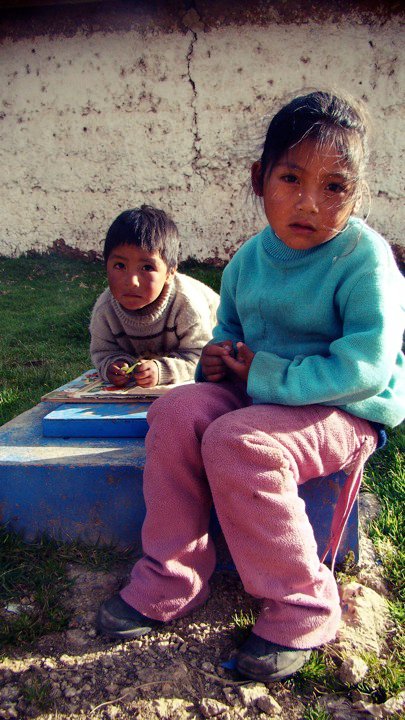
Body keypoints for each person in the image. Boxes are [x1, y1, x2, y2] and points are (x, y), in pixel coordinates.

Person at [96, 91, 405, 681]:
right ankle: (173, 575)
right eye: (291, 178)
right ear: (259, 178)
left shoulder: (364, 260)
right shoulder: (246, 262)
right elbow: (229, 335)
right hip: (260, 395)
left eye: (334, 187)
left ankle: (303, 604)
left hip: (344, 408)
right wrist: (215, 362)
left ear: (357, 194)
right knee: (176, 411)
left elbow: (365, 367)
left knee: (237, 441)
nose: (309, 202)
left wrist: (263, 374)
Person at [89, 205, 219, 388]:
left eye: (147, 268)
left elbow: (202, 357)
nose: (132, 281)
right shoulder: (105, 310)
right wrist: (113, 365)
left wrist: (162, 370)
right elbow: (103, 352)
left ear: (170, 273)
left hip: (224, 341)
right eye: (120, 266)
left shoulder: (187, 305)